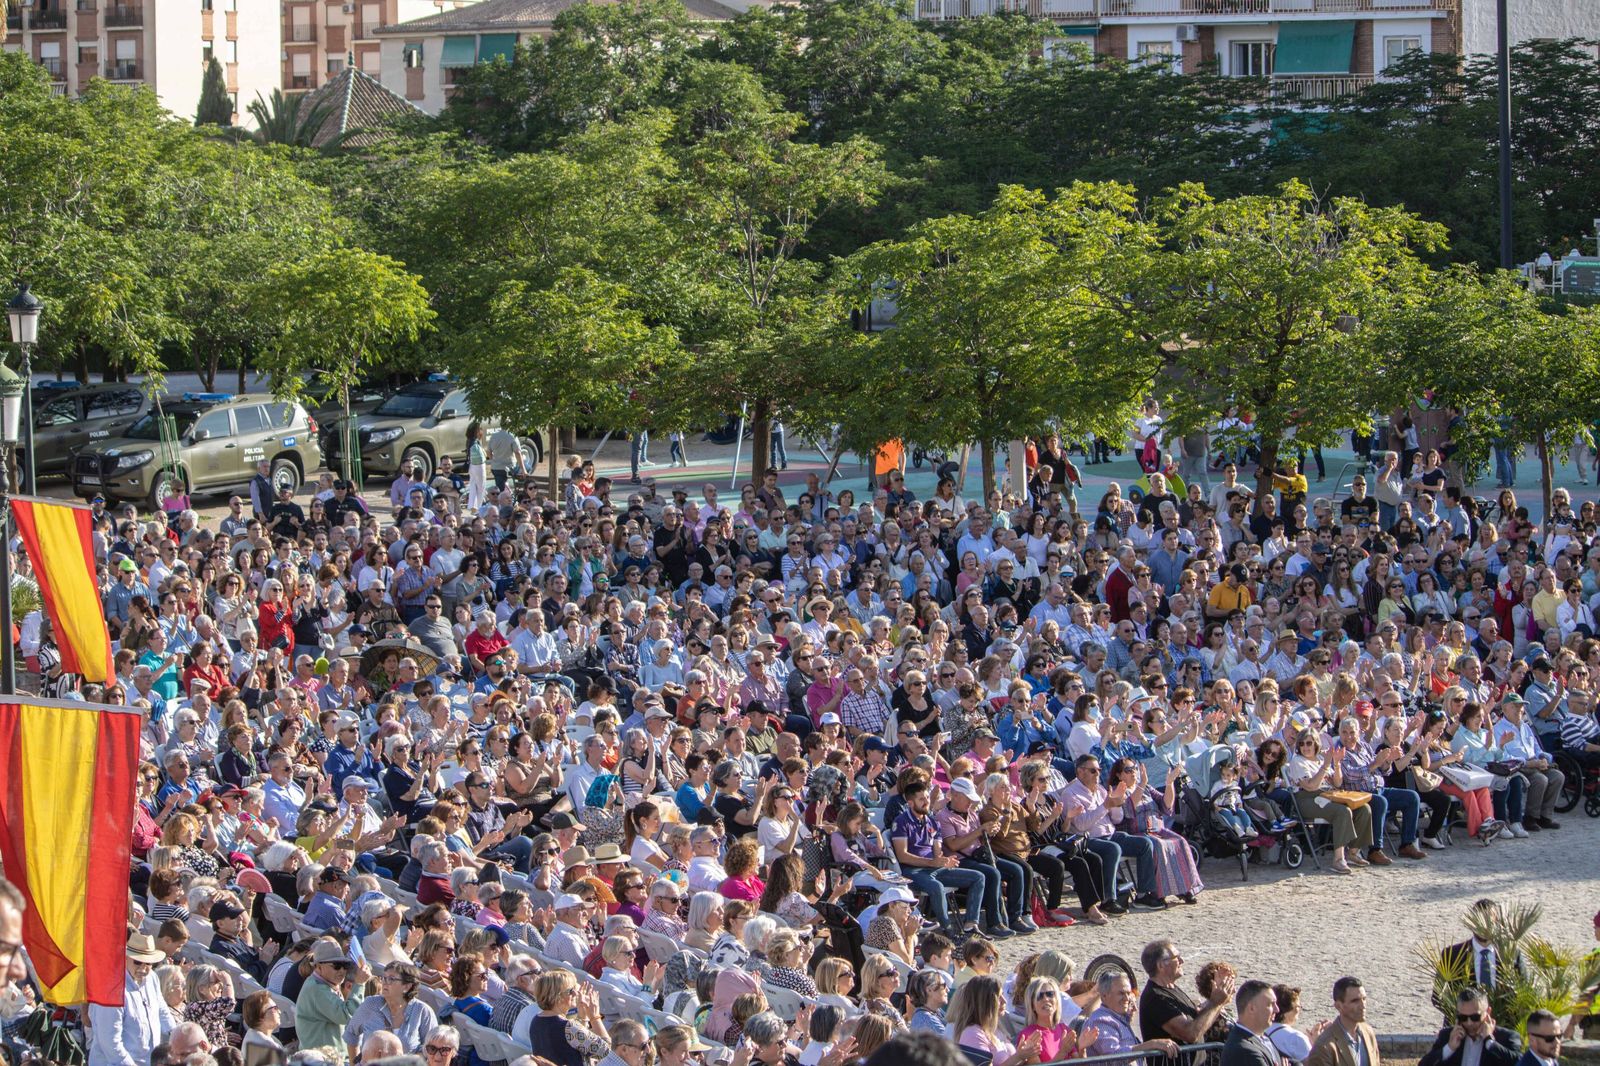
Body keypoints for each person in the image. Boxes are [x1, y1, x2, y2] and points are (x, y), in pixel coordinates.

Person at [89, 932, 177, 1066]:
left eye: (148, 963)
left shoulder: (152, 978)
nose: (143, 968)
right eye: (138, 962)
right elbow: (110, 1042)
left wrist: (176, 1035)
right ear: (125, 958)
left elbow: (161, 1010)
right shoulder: (111, 990)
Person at [1138, 939, 1234, 1047]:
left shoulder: (1172, 988)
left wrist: (1220, 997)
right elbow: (1190, 1034)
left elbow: (1199, 1020)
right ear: (1161, 965)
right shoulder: (1155, 998)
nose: (1182, 960)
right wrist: (1215, 1002)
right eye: (1176, 958)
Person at [296, 938, 371, 1054]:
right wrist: (360, 984)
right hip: (322, 1060)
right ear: (319, 967)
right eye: (336, 966)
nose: (342, 971)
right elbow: (348, 1016)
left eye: (344, 965)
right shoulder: (316, 989)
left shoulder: (323, 984)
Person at [1417, 987, 1521, 1066]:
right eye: (1463, 1017)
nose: (1469, 1023)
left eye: (1475, 1017)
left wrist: (1490, 1042)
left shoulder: (1506, 1038)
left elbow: (1520, 1062)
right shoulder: (1448, 1036)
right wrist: (1449, 1048)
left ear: (1488, 1012)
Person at [1306, 977, 1379, 1066]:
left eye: (1364, 999)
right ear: (1338, 1006)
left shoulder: (1368, 1032)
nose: (1362, 1006)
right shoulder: (1324, 1046)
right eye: (1355, 1001)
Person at [1221, 981, 1281, 1066]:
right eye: (1270, 1004)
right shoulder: (1244, 1050)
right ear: (1251, 1008)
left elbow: (1291, 1061)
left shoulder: (1263, 1037)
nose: (1277, 1009)